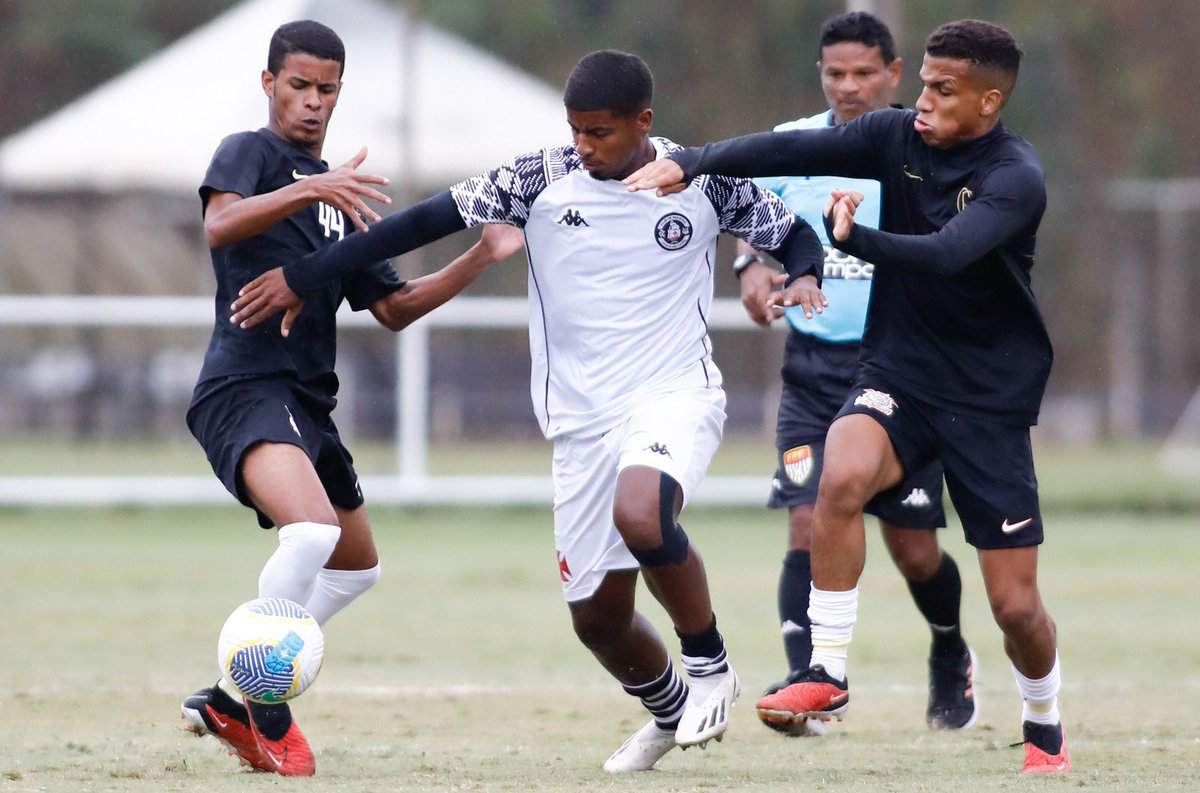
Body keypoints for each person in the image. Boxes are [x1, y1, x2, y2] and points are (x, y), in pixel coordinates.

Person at [226, 49, 826, 773]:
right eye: (575, 129)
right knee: (597, 619)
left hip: (674, 394)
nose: (583, 145)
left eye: (599, 132)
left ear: (643, 123)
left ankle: (709, 666)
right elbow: (415, 226)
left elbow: (793, 233)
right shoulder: (536, 178)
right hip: (579, 424)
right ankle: (669, 711)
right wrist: (301, 275)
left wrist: (805, 273)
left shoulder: (699, 177)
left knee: (643, 514)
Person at [625, 19, 1070, 775]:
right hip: (898, 372)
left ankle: (1045, 724)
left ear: (990, 101)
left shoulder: (1015, 175)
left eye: (943, 89)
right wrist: (692, 163)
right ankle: (825, 672)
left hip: (989, 400)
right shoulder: (895, 137)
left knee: (1015, 607)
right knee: (839, 473)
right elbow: (787, 150)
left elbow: (947, 255)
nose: (922, 100)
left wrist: (854, 238)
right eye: (924, 82)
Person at [178, 20, 522, 777]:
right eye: (297, 86)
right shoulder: (252, 153)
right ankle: (264, 703)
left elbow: (394, 308)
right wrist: (310, 184)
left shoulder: (340, 196)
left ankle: (230, 701)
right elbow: (219, 224)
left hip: (308, 403)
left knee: (356, 566)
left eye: (325, 89)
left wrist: (480, 254)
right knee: (307, 535)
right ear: (268, 83)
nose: (310, 102)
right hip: (242, 386)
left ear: (340, 92)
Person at [732, 11, 975, 737]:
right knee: (806, 522)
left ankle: (948, 648)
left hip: (901, 373)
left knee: (913, 546)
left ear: (894, 75)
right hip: (813, 372)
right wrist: (750, 265)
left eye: (863, 73)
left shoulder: (925, 151)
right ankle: (814, 685)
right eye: (835, 73)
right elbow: (750, 215)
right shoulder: (792, 144)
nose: (848, 86)